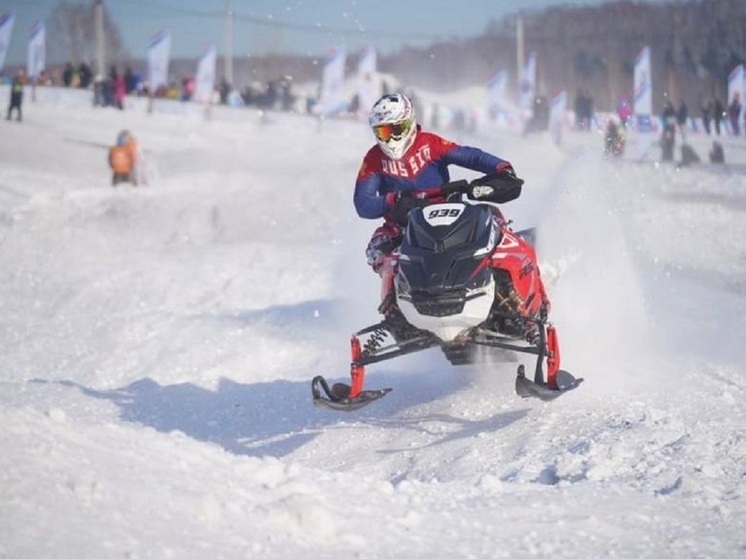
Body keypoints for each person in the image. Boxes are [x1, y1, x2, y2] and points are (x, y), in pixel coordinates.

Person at [354, 92, 516, 314]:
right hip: (403, 226)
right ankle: (394, 308)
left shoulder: (430, 144)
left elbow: (470, 156)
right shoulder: (373, 159)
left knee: (492, 220)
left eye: (396, 130)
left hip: (447, 215)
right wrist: (394, 201)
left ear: (410, 123)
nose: (390, 139)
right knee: (378, 250)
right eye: (382, 132)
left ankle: (509, 288)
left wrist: (501, 168)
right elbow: (362, 203)